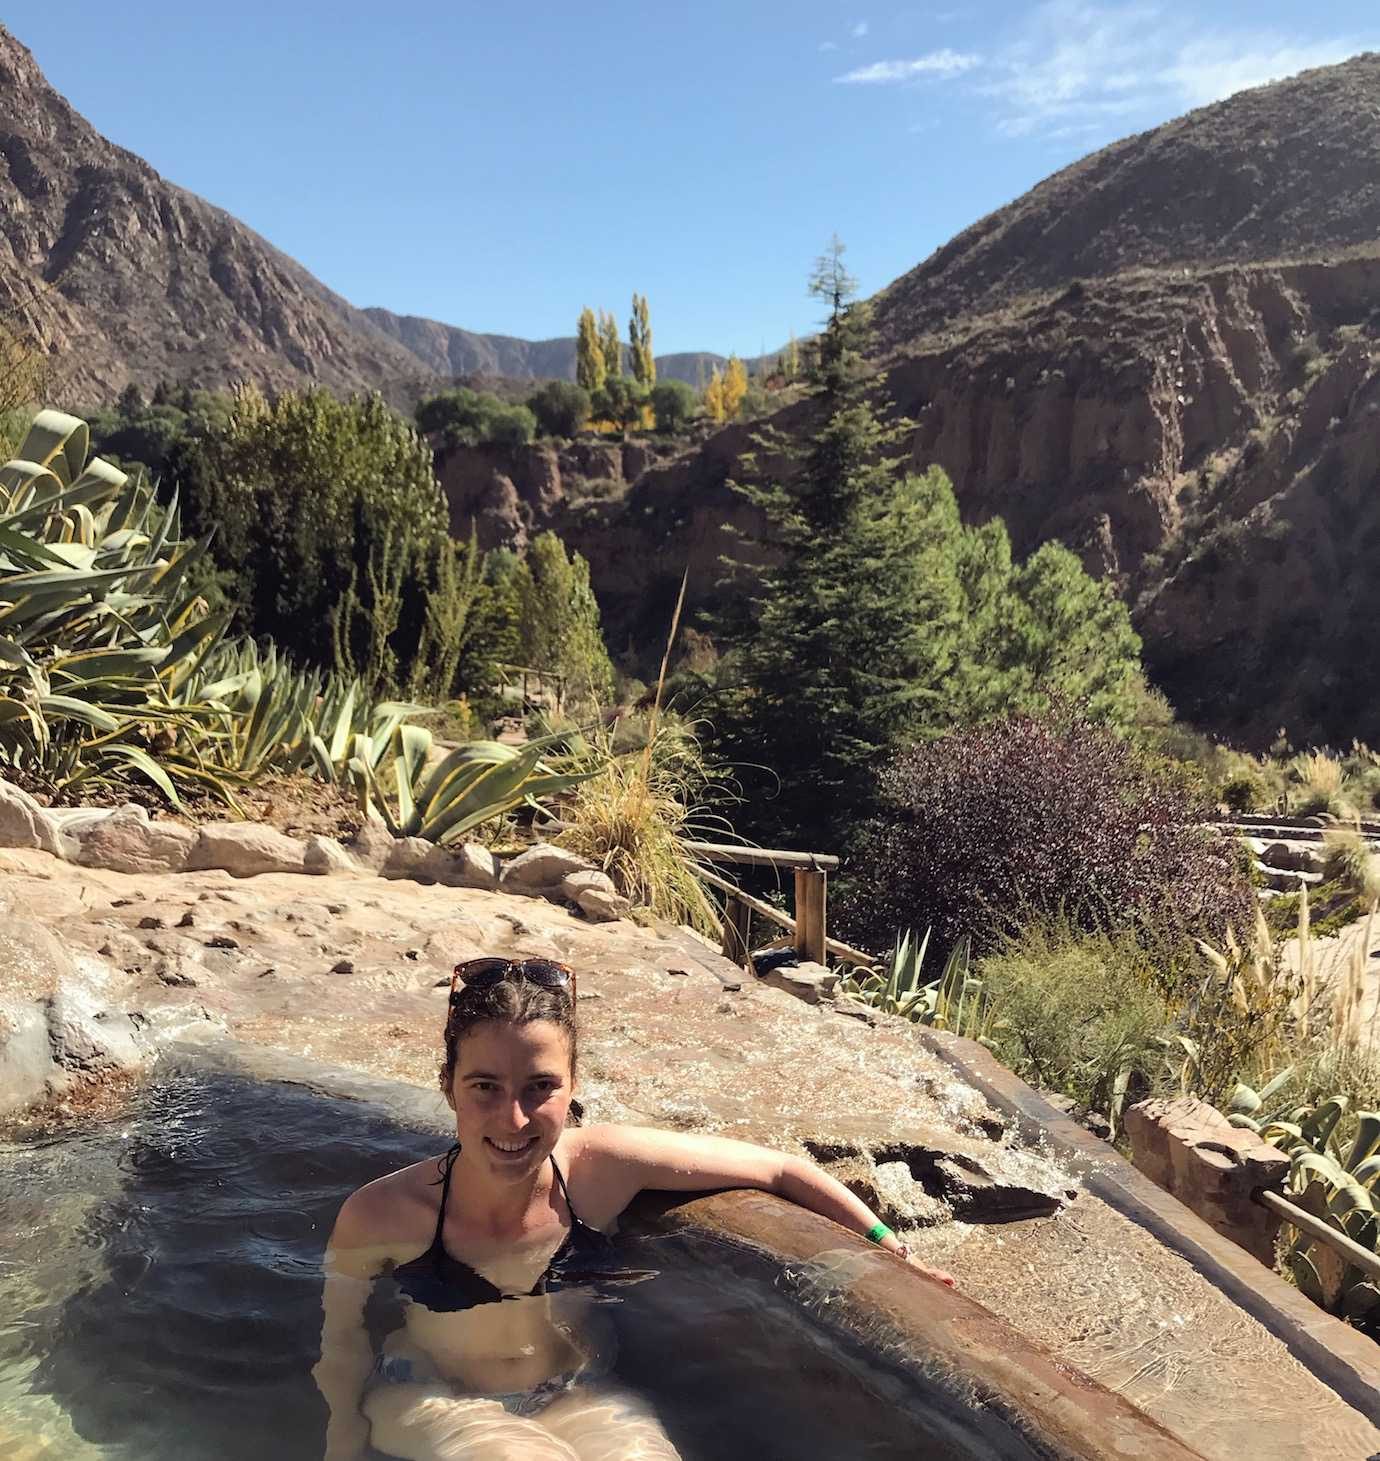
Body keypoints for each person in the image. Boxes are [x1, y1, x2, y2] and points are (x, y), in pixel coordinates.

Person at [313, 957, 954, 1460]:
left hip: (576, 1393)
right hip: (435, 1397)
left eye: (541, 1087)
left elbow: (782, 1168)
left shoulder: (600, 1171)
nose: (513, 1118)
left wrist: (889, 1247)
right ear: (447, 1084)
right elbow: (340, 1347)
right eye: (485, 1086)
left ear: (573, 1087)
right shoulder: (380, 1214)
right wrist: (342, 1444)